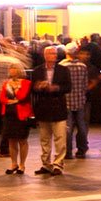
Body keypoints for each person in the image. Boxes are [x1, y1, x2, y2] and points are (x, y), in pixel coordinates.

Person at [30, 45, 72, 176]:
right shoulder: (37, 71)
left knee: (60, 138)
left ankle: (58, 164)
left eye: (54, 54)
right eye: (50, 54)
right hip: (43, 108)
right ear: (45, 56)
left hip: (58, 107)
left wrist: (56, 88)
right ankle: (46, 164)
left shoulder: (63, 70)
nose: (53, 56)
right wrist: (38, 86)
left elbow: (68, 87)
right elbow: (32, 89)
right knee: (44, 139)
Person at [0, 61, 32, 175]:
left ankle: (22, 165)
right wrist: (12, 100)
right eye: (10, 69)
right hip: (9, 114)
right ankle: (13, 163)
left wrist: (16, 91)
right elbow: (2, 98)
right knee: (11, 140)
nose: (12, 71)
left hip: (21, 114)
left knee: (22, 140)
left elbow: (22, 97)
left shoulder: (26, 83)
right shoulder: (6, 83)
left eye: (14, 69)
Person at [63, 45, 92, 159]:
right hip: (80, 100)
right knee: (82, 126)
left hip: (66, 100)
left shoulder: (62, 66)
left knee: (67, 127)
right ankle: (82, 149)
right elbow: (85, 85)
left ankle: (68, 151)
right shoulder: (82, 66)